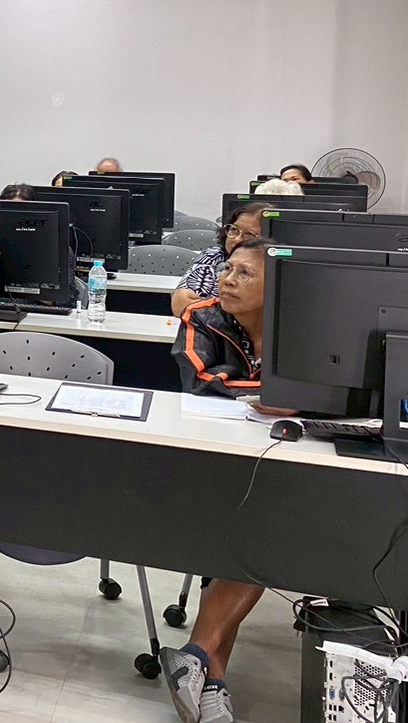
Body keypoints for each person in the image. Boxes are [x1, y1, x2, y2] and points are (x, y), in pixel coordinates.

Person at [163, 238, 295, 723]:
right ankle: (212, 676)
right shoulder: (203, 316)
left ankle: (197, 659)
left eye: (244, 273)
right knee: (252, 539)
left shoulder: (304, 327)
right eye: (227, 269)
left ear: (276, 288)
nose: (227, 280)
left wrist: (290, 399)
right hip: (208, 458)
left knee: (257, 534)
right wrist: (277, 395)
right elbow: (200, 382)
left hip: (281, 461)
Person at [170, 202, 267, 317]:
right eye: (234, 230)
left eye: (249, 234)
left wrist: (207, 307)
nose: (236, 239)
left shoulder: (273, 266)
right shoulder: (214, 256)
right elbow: (181, 305)